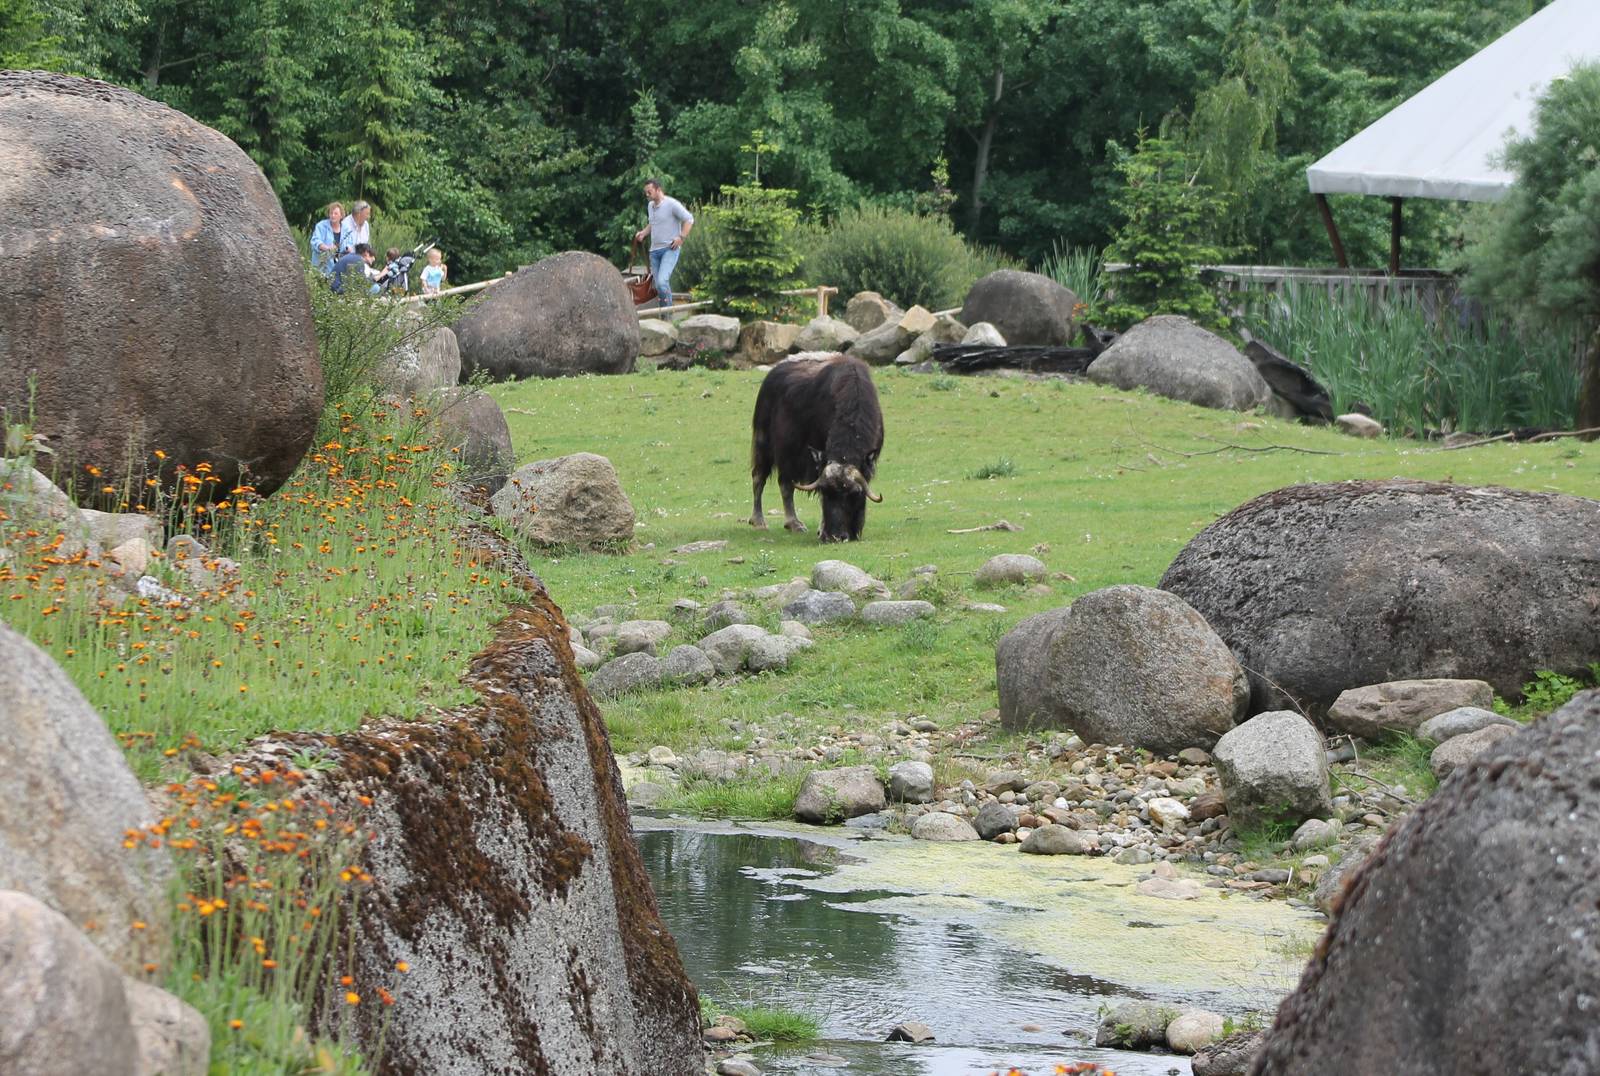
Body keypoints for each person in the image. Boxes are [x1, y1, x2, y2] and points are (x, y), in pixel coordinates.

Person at [633, 179, 693, 309]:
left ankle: (667, 317)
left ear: (658, 190)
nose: (647, 195)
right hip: (654, 251)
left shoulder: (672, 204)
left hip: (669, 249)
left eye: (649, 192)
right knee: (658, 285)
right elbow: (653, 223)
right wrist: (643, 233)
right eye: (646, 193)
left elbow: (689, 219)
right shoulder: (650, 206)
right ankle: (664, 314)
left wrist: (681, 237)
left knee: (661, 282)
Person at [309, 202, 344, 275]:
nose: (333, 215)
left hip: (339, 269)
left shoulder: (346, 229)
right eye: (331, 213)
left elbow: (349, 245)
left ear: (341, 215)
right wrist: (327, 248)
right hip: (321, 268)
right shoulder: (321, 226)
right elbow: (315, 241)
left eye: (335, 213)